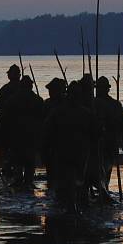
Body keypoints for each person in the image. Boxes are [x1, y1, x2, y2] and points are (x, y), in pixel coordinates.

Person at [42, 81, 93, 214]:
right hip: (78, 154)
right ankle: (76, 206)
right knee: (78, 182)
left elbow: (46, 131)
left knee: (63, 183)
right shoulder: (86, 113)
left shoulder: (58, 112)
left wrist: (46, 148)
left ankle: (68, 208)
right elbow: (96, 133)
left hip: (63, 153)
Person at [5, 75, 44, 186]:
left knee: (17, 160)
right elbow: (43, 118)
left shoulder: (12, 100)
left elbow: (5, 118)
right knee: (29, 160)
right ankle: (28, 181)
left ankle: (18, 180)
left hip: (17, 135)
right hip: (31, 135)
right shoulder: (38, 100)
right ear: (31, 86)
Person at [94, 76, 123, 191]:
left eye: (100, 88)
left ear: (106, 89)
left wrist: (121, 136)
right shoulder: (95, 103)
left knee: (105, 168)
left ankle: (104, 190)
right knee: (100, 169)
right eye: (98, 88)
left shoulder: (113, 104)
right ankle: (103, 189)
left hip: (109, 143)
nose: (99, 90)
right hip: (99, 143)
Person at [0, 64, 22, 176]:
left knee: (7, 149)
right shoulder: (24, 89)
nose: (8, 75)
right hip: (21, 127)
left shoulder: (6, 89)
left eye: (9, 73)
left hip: (7, 125)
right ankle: (17, 172)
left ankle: (9, 169)